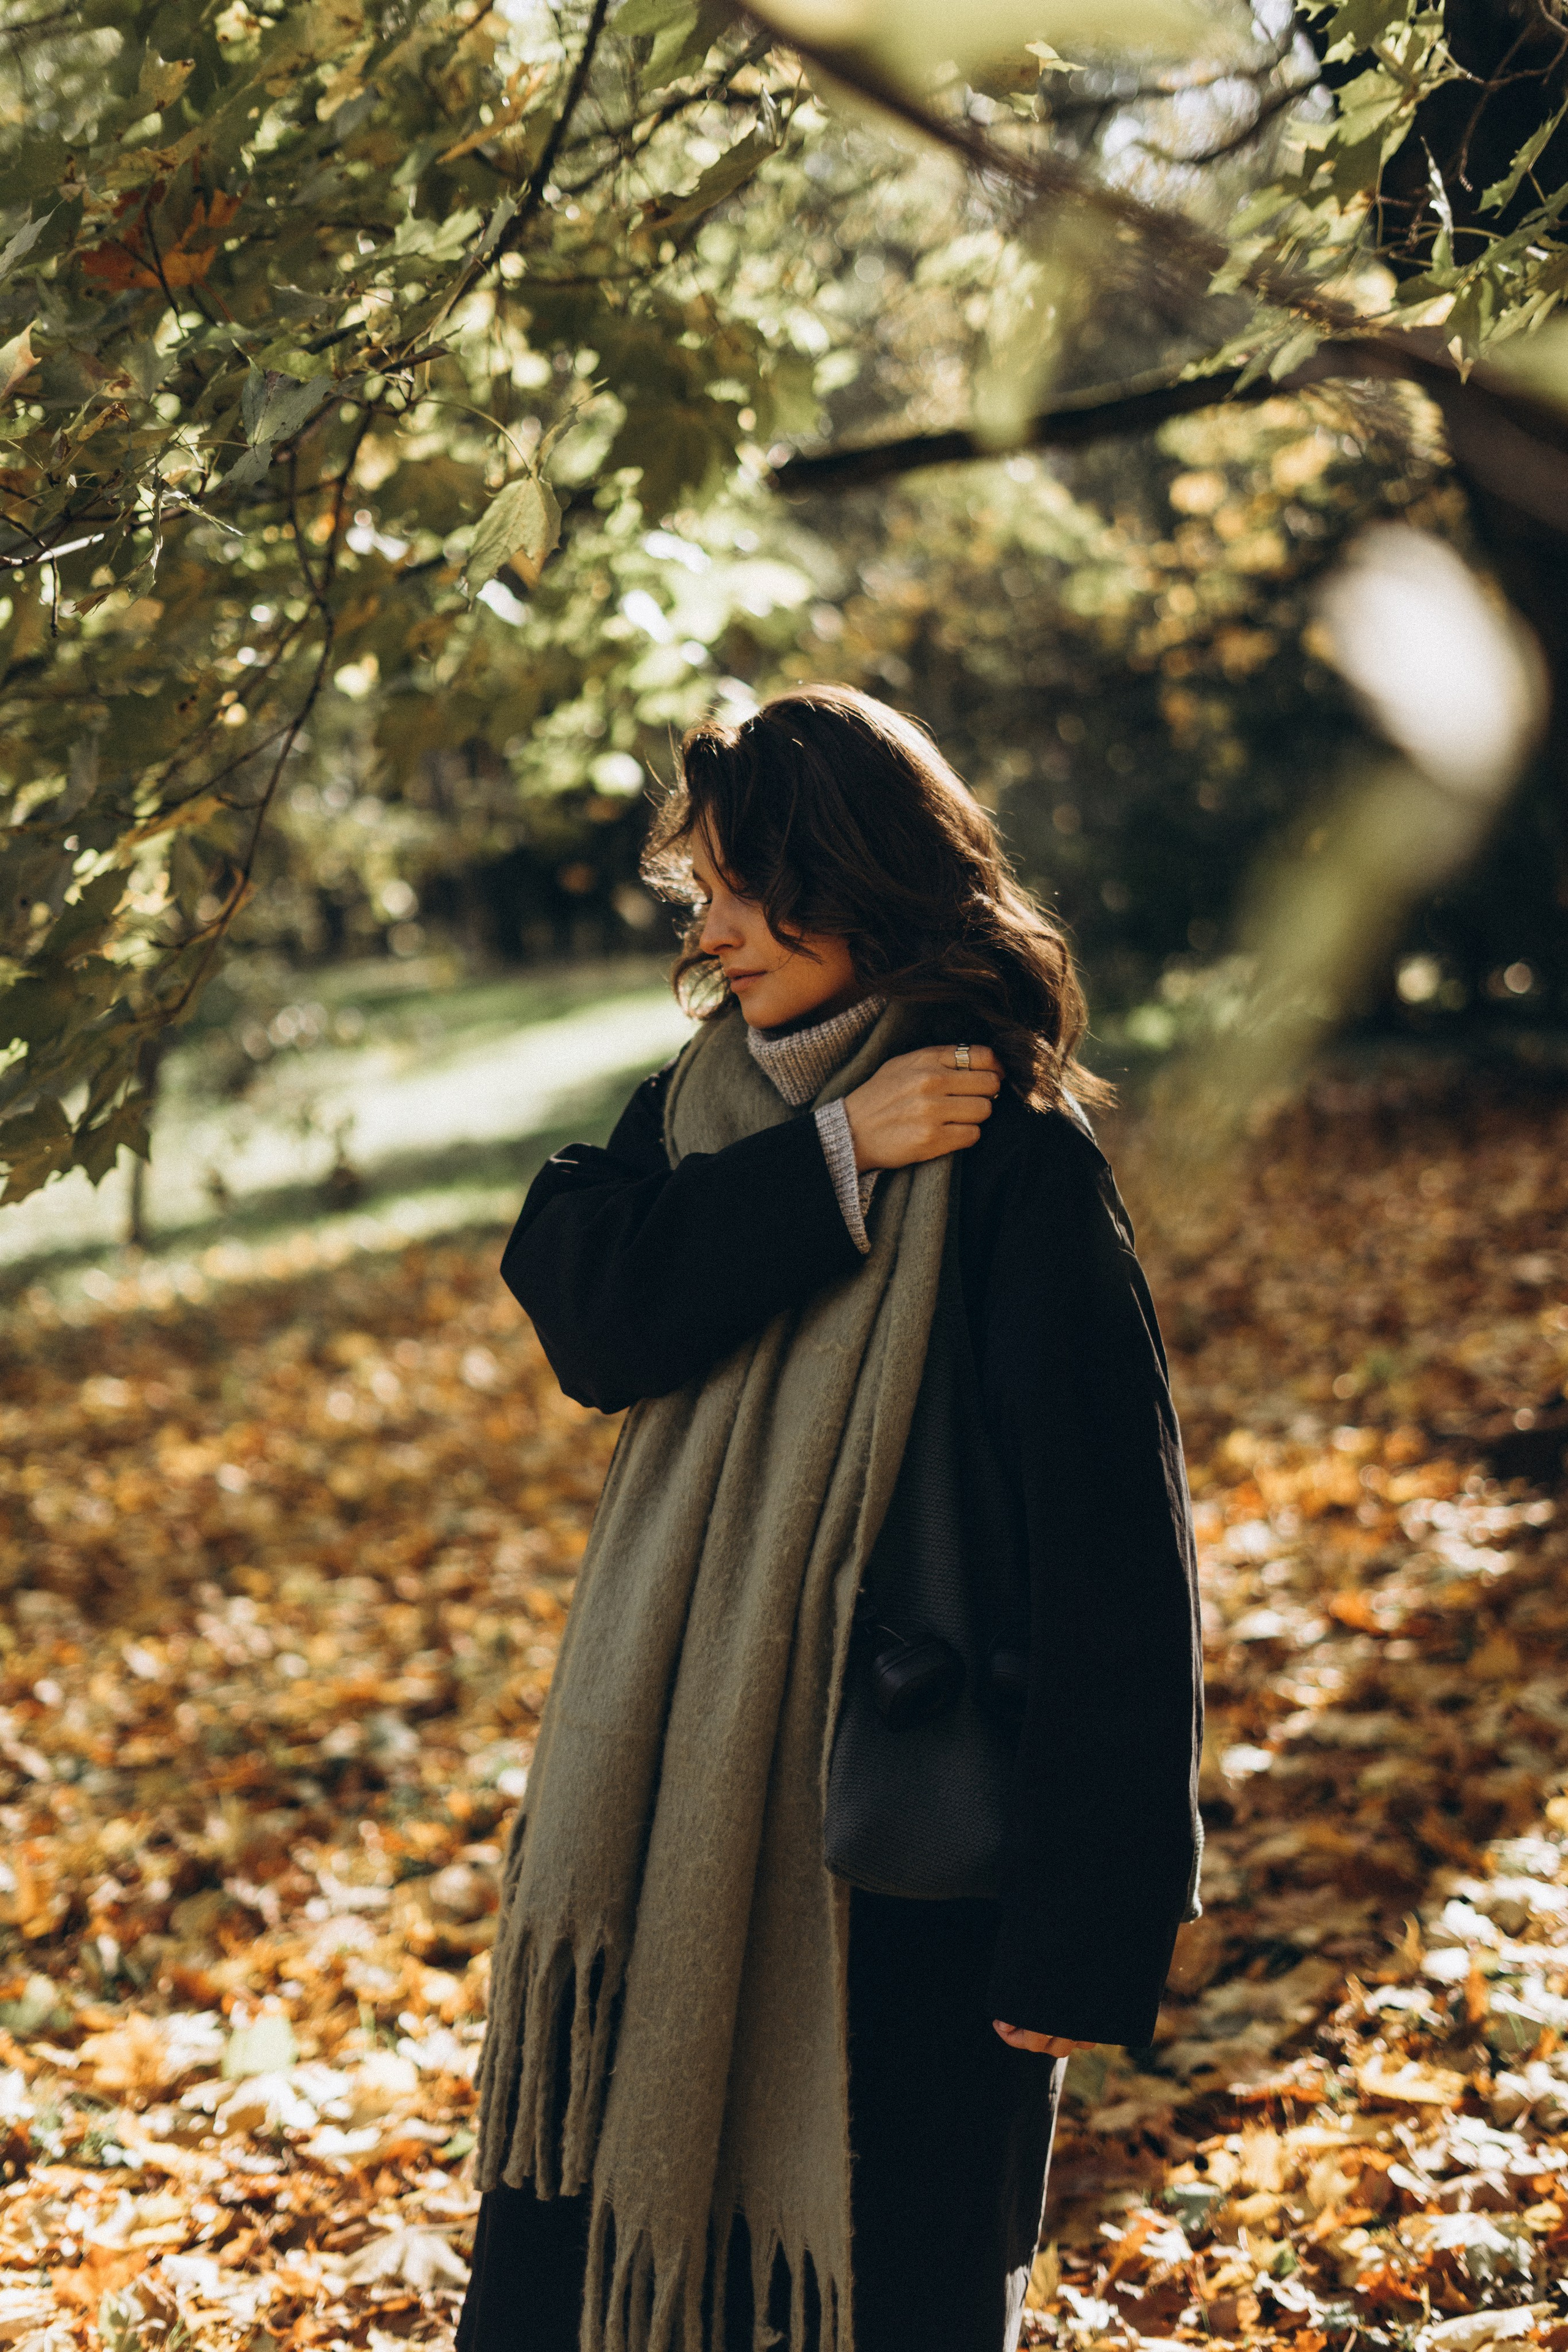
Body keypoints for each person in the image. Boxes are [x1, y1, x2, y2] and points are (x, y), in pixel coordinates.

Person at [459, 685, 1202, 2352]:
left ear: (861, 879)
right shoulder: (703, 1114)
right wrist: (835, 1160)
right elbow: (592, 1311)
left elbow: (1114, 1561)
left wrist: (1081, 1935)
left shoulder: (1015, 1159)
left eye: (748, 889)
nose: (710, 931)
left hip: (906, 1867)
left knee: (874, 2299)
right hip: (665, 1834)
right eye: (702, 891)